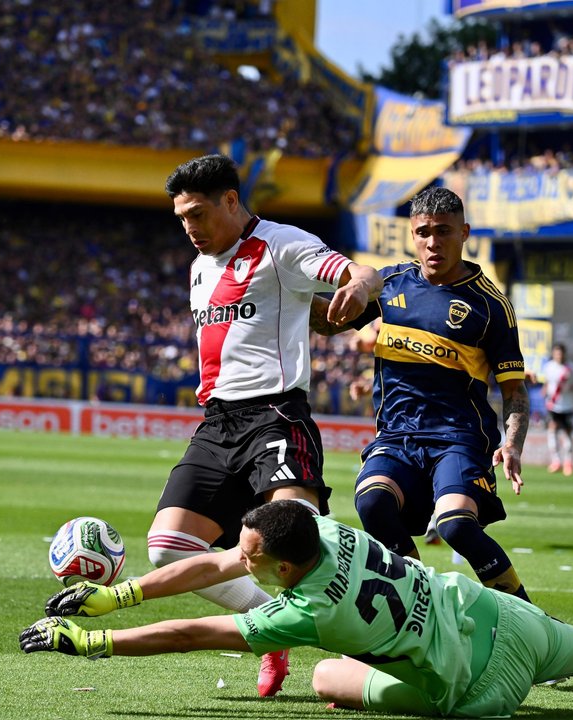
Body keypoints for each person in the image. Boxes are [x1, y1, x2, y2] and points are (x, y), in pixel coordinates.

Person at [20, 500, 573, 717]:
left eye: (250, 556)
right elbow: (219, 564)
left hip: (476, 688)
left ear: (284, 566)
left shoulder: (304, 612)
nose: (237, 559)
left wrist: (94, 644)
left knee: (326, 677)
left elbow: (201, 630)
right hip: (501, 619)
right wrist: (117, 596)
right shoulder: (319, 527)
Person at [147, 154, 382, 696]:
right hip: (216, 424)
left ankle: (365, 651)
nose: (189, 227)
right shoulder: (199, 267)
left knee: (305, 540)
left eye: (198, 214)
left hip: (275, 415)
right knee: (168, 547)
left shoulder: (282, 245)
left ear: (231, 200)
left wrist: (358, 289)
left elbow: (361, 273)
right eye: (181, 218)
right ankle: (270, 632)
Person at [311, 187, 532, 602]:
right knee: (372, 502)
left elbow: (514, 390)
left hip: (458, 439)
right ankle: (424, 602)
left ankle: (530, 619)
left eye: (444, 231)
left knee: (455, 525)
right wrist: (275, 292)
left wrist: (513, 443)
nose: (433, 242)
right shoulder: (389, 284)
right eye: (423, 232)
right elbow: (328, 322)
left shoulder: (490, 306)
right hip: (396, 436)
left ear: (464, 233)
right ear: (412, 235)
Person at [541, 343, 573, 475]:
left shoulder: (572, 367)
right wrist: (544, 390)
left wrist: (571, 387)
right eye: (556, 353)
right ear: (553, 354)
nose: (559, 356)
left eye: (561, 353)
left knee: (567, 433)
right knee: (552, 429)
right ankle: (556, 461)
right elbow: (547, 382)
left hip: (568, 406)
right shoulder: (549, 367)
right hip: (553, 404)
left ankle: (568, 462)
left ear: (564, 354)